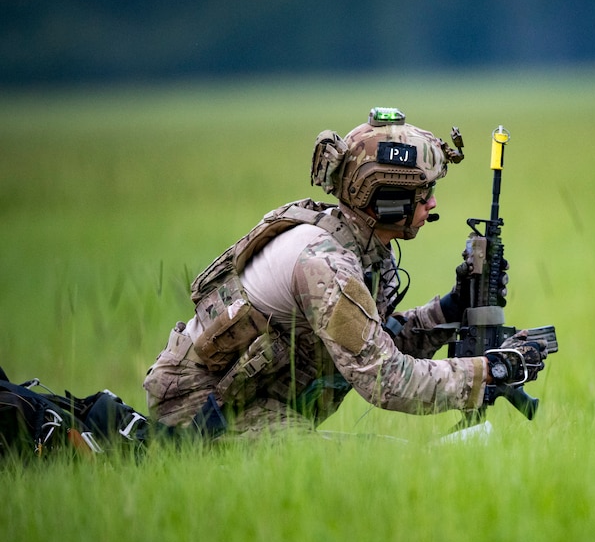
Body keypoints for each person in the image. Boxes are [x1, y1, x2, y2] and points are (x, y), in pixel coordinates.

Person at [143, 107, 548, 434]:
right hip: (200, 409)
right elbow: (386, 378)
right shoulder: (326, 265)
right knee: (365, 468)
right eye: (421, 194)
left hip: (247, 401)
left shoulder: (360, 245)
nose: (432, 204)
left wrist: (451, 308)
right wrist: (491, 371)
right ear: (383, 201)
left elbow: (375, 344)